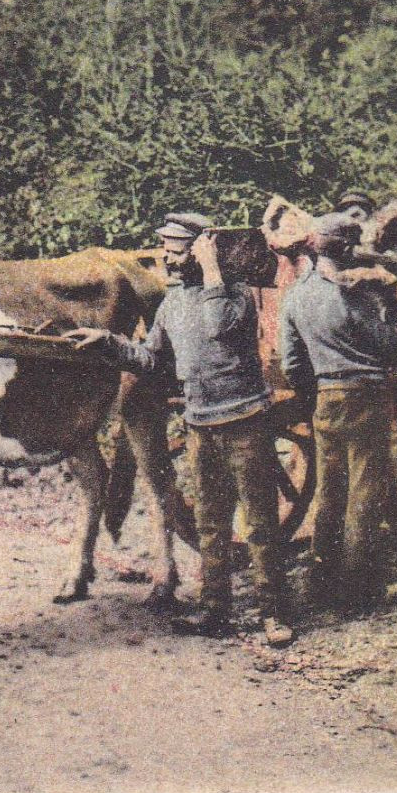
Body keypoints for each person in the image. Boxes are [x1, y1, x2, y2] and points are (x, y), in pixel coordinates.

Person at [66, 211, 294, 647]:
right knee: (210, 522)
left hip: (245, 421)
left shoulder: (236, 294)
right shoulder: (172, 303)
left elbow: (218, 328)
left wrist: (211, 268)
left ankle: (273, 614)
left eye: (178, 250)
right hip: (200, 425)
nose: (168, 260)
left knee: (261, 523)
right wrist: (111, 344)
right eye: (166, 250)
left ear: (203, 248)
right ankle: (215, 610)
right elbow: (153, 358)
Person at [279, 213, 397, 614]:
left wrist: (313, 395)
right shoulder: (357, 294)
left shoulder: (295, 297)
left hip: (325, 399)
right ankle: (357, 591)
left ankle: (320, 583)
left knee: (329, 491)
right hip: (367, 396)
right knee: (365, 491)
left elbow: (293, 363)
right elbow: (388, 348)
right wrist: (388, 306)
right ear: (347, 249)